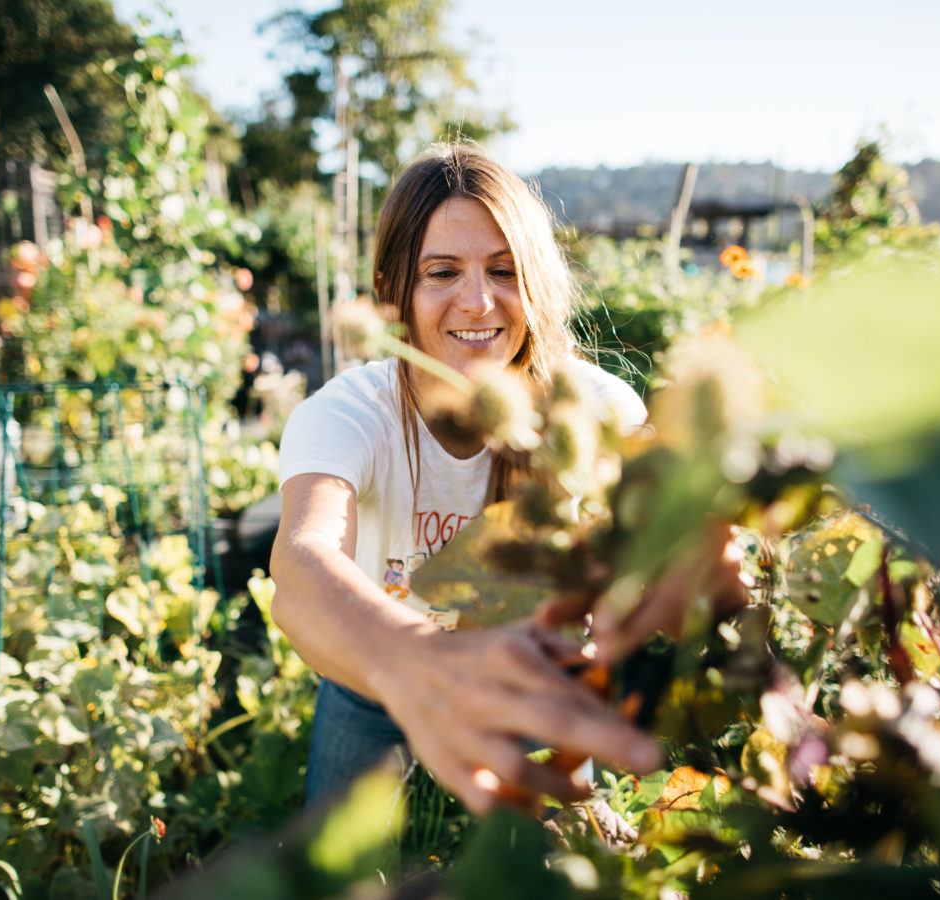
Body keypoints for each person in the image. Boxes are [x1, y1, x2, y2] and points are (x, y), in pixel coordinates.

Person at [270, 143, 666, 815]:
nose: (478, 301)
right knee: (335, 870)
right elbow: (303, 564)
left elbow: (650, 549)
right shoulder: (347, 414)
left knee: (554, 874)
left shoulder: (596, 414)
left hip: (538, 673)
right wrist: (417, 660)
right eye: (443, 271)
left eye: (504, 271)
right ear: (393, 291)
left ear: (536, 282)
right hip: (380, 669)